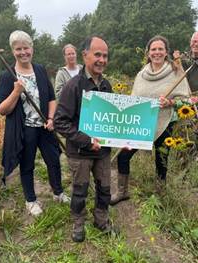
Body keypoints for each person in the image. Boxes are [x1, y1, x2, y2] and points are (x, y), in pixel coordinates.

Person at [0, 30, 70, 217]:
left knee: (53, 161)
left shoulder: (40, 70)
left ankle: (58, 192)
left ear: (32, 48)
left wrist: (51, 119)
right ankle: (31, 200)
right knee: (27, 165)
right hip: (24, 129)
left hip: (45, 126)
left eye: (26, 48)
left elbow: (52, 99)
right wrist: (16, 92)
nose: (23, 52)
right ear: (13, 51)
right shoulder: (7, 76)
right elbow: (1, 109)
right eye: (18, 49)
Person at [110, 35, 191, 206]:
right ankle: (122, 192)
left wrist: (170, 102)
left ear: (166, 52)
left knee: (161, 161)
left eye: (160, 49)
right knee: (123, 157)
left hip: (164, 123)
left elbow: (187, 99)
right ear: (148, 52)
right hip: (141, 125)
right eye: (153, 49)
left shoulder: (176, 71)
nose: (157, 52)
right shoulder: (141, 75)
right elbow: (134, 100)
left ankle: (160, 194)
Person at [54, 36, 117, 242]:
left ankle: (101, 220)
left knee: (105, 189)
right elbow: (60, 122)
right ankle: (78, 223)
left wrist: (125, 138)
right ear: (85, 55)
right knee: (80, 190)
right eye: (97, 54)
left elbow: (114, 119)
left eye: (105, 56)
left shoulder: (107, 86)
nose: (102, 59)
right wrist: (87, 140)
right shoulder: (73, 86)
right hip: (80, 153)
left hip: (103, 152)